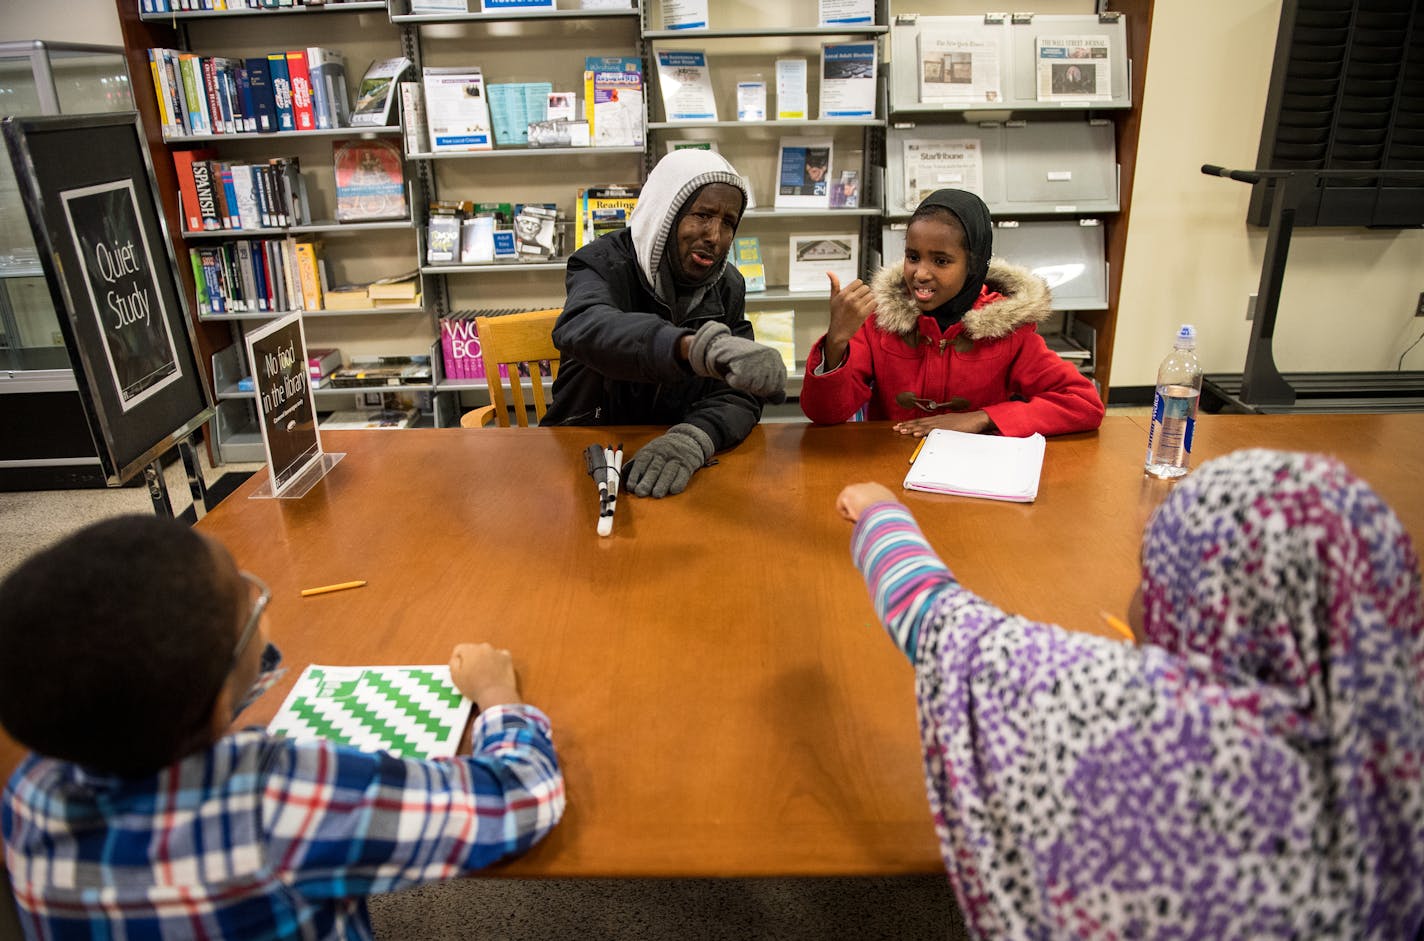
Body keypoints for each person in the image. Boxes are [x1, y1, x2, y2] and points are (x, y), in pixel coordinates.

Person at [836, 449, 1424, 939]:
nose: (1140, 599)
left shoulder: (1149, 720)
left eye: (1153, 573)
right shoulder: (1398, 730)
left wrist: (882, 512)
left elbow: (938, 620)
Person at [0, 515, 565, 939]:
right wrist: (495, 695)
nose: (258, 599)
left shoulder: (28, 792)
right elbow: (519, 796)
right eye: (247, 598)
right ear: (220, 698)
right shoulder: (275, 802)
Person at [541, 148, 787, 498]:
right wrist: (687, 348)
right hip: (586, 450)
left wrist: (693, 438)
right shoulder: (601, 263)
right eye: (702, 215)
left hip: (672, 464)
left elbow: (737, 395)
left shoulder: (728, 284)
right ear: (664, 213)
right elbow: (585, 327)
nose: (715, 236)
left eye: (729, 222)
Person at [799, 188, 1104, 438]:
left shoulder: (1009, 330)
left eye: (941, 261)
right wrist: (836, 342)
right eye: (912, 256)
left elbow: (1083, 404)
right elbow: (825, 414)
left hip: (974, 474)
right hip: (890, 465)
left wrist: (983, 418)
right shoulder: (880, 321)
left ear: (974, 266)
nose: (920, 273)